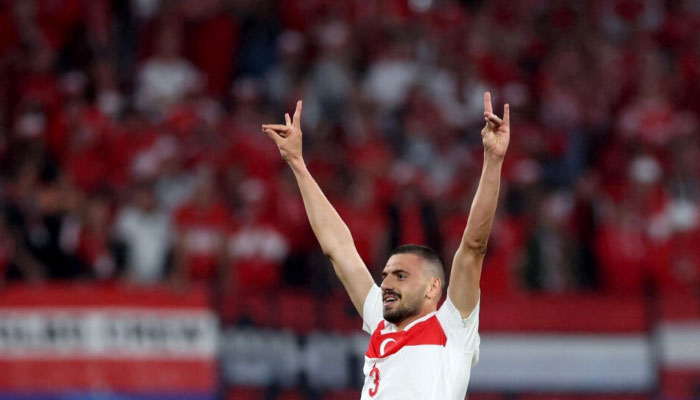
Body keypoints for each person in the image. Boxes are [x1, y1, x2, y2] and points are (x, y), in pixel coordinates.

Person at [262, 92, 510, 399]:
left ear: (433, 288)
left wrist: (494, 160)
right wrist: (298, 164)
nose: (387, 283)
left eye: (401, 276)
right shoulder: (380, 318)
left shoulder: (453, 328)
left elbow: (473, 246)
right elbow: (339, 249)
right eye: (387, 275)